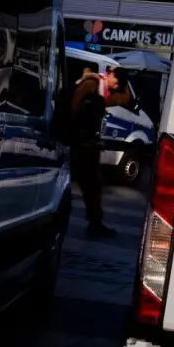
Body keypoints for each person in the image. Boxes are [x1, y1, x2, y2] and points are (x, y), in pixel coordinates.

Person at [66, 65, 118, 238]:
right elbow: (75, 105)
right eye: (116, 81)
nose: (115, 85)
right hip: (82, 143)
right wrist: (76, 131)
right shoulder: (92, 84)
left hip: (87, 142)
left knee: (92, 185)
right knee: (89, 183)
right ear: (109, 75)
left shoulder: (101, 89)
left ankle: (95, 222)